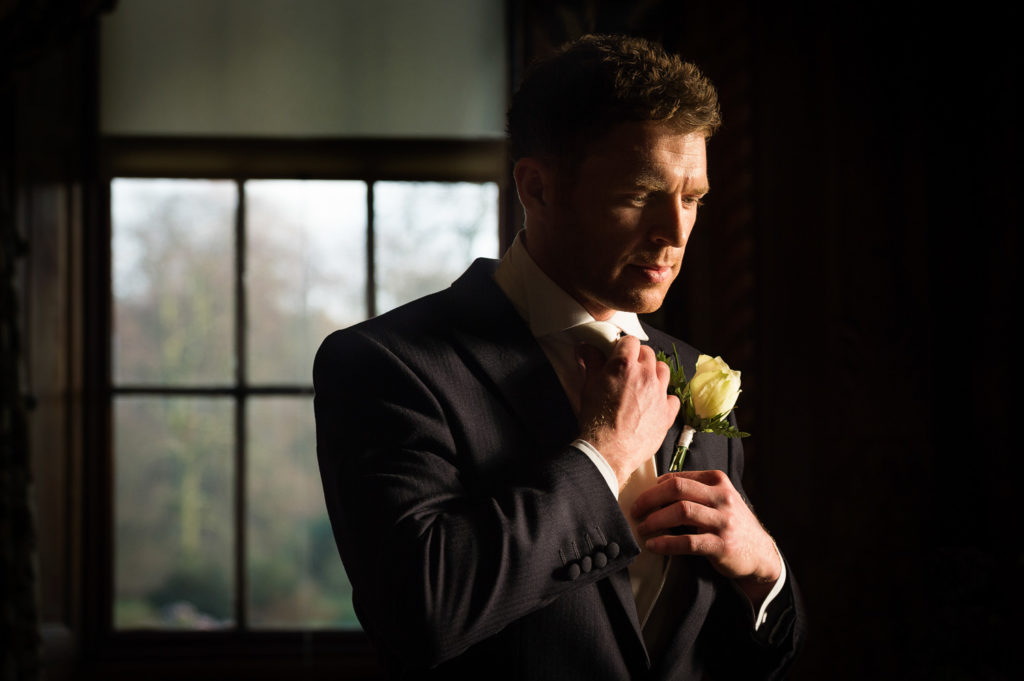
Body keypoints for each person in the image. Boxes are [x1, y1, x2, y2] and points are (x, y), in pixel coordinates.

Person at [314, 34, 804, 680]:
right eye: (639, 195)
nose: (675, 234)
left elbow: (729, 655)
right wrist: (604, 456)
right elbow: (419, 614)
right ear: (537, 188)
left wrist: (766, 572)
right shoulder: (387, 365)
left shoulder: (689, 373)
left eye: (692, 199)